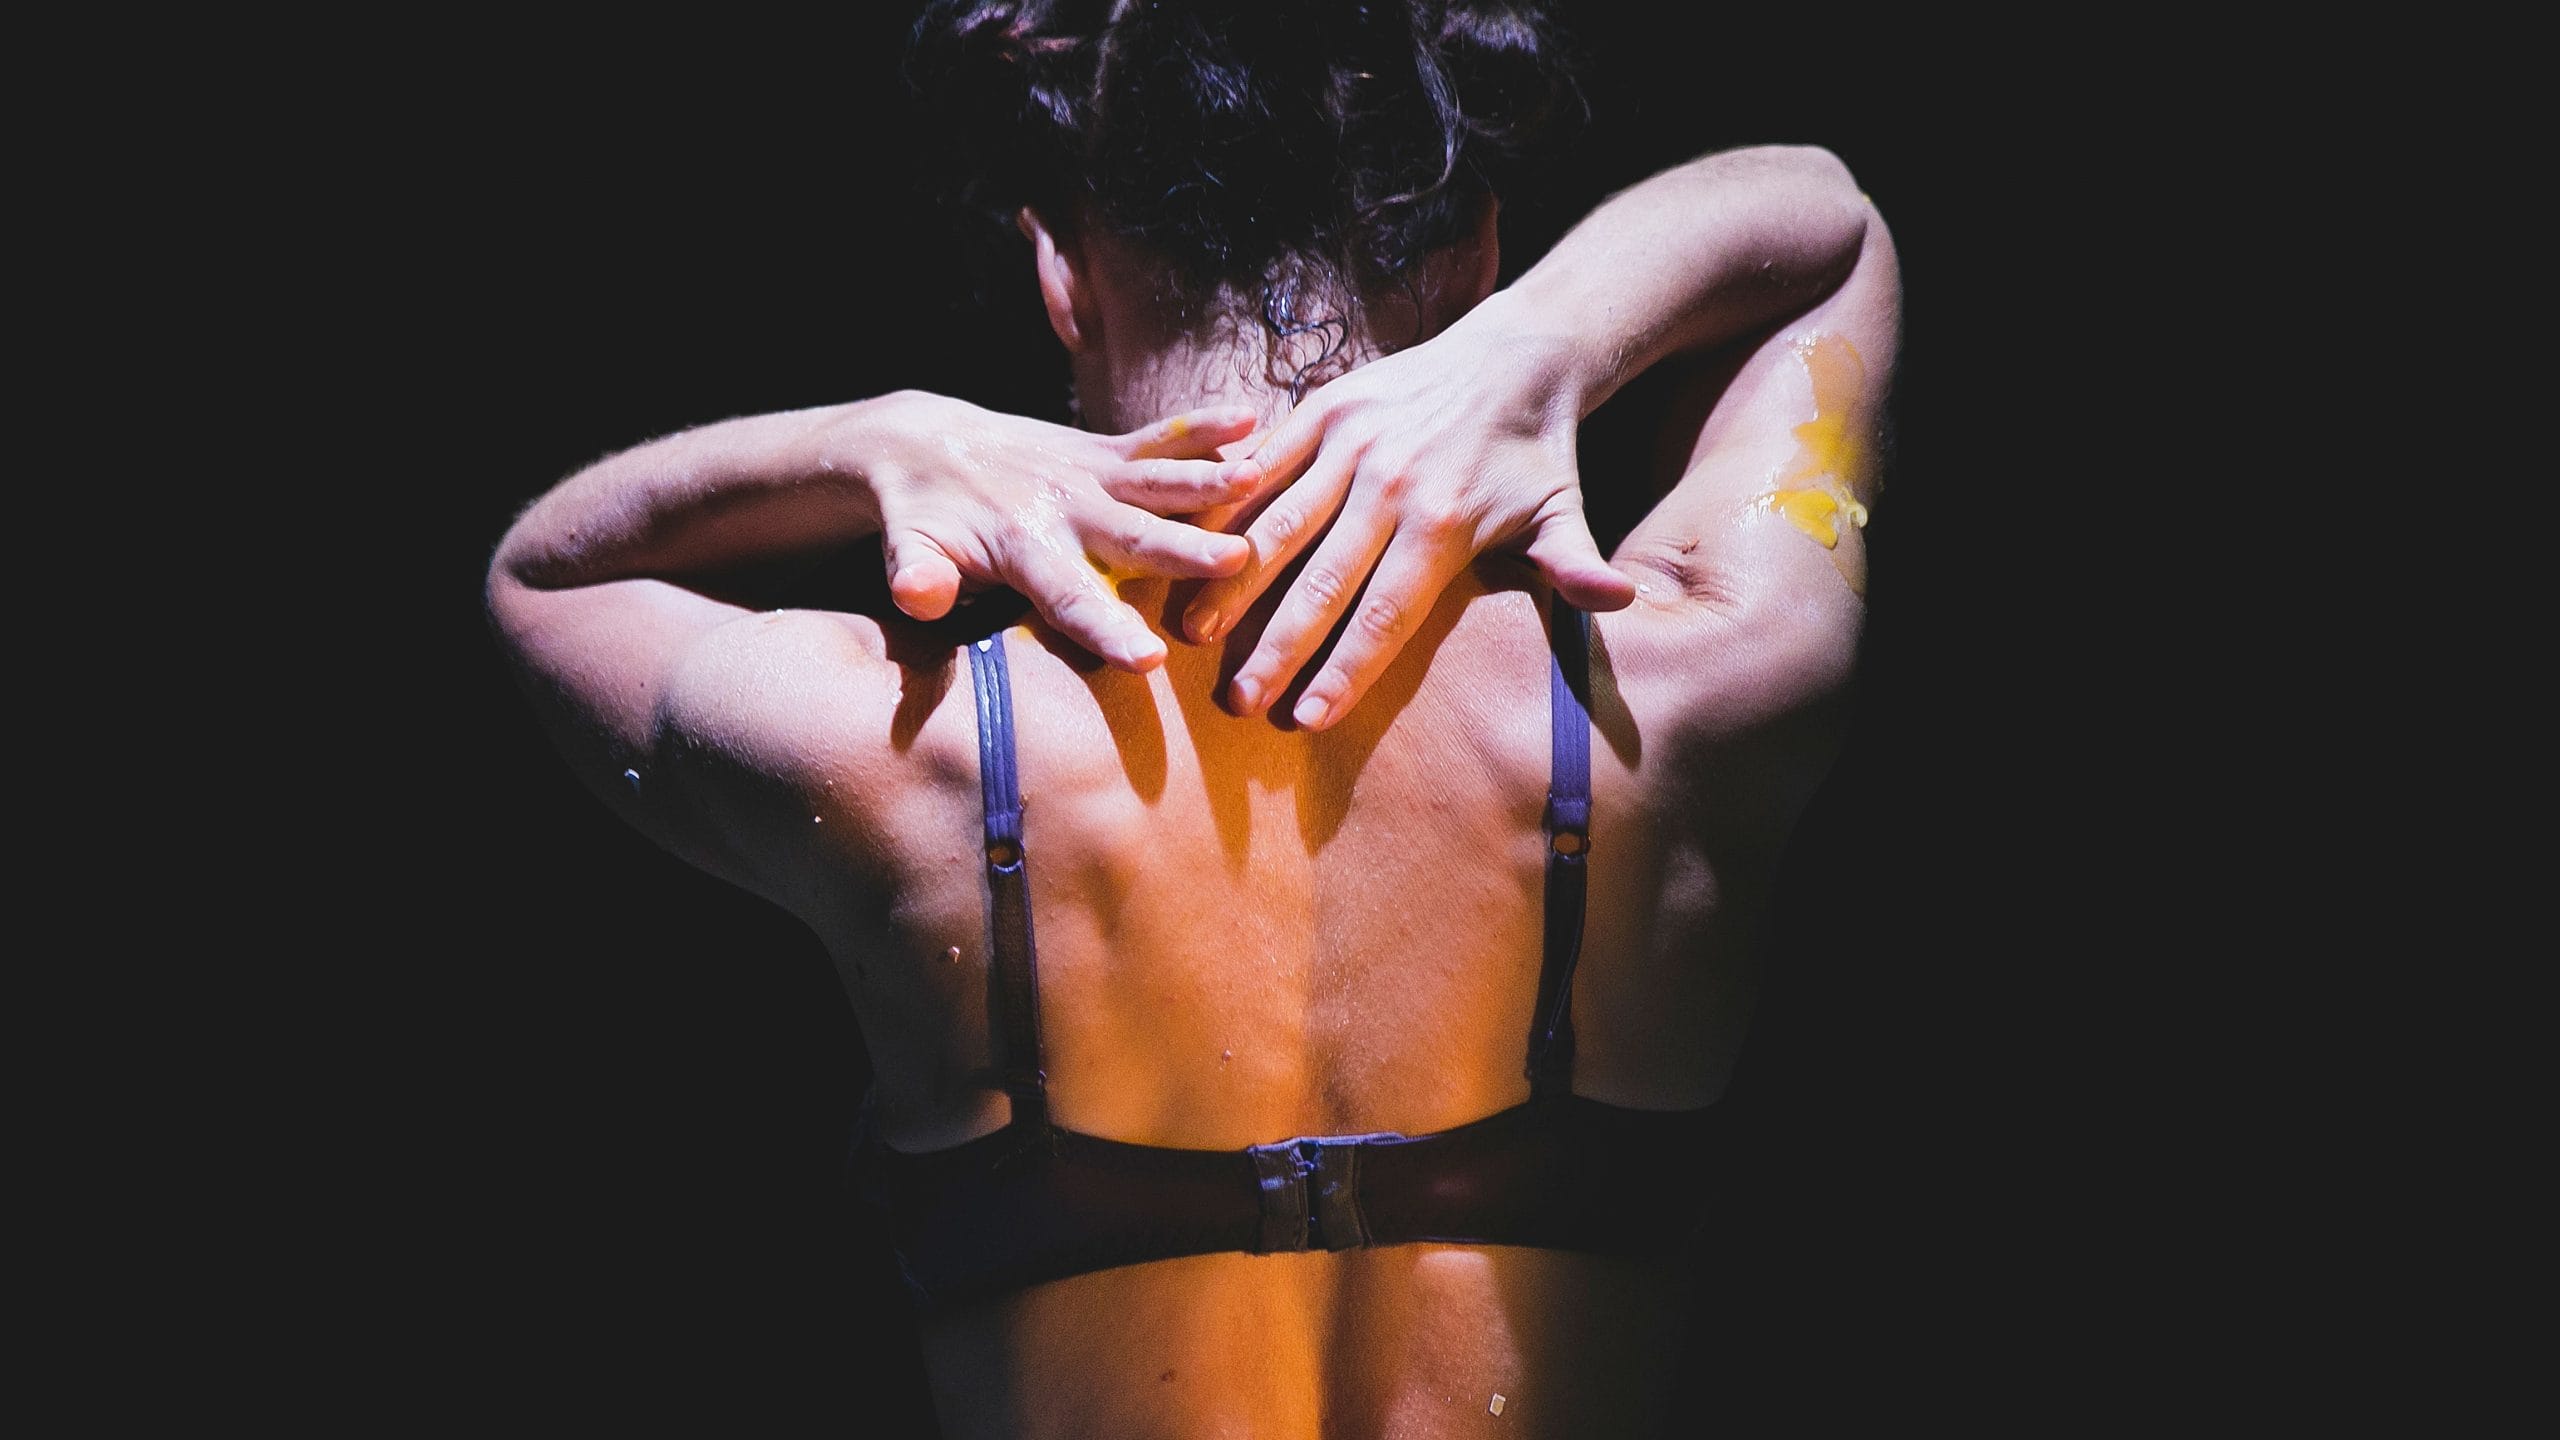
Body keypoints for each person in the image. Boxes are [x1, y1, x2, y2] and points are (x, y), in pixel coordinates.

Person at [485, 1, 1898, 1434]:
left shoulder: (912, 758)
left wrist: (878, 440)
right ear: (1473, 251)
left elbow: (548, 576)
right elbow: (1830, 228)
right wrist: (1545, 341)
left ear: (1061, 274)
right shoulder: (1688, 687)